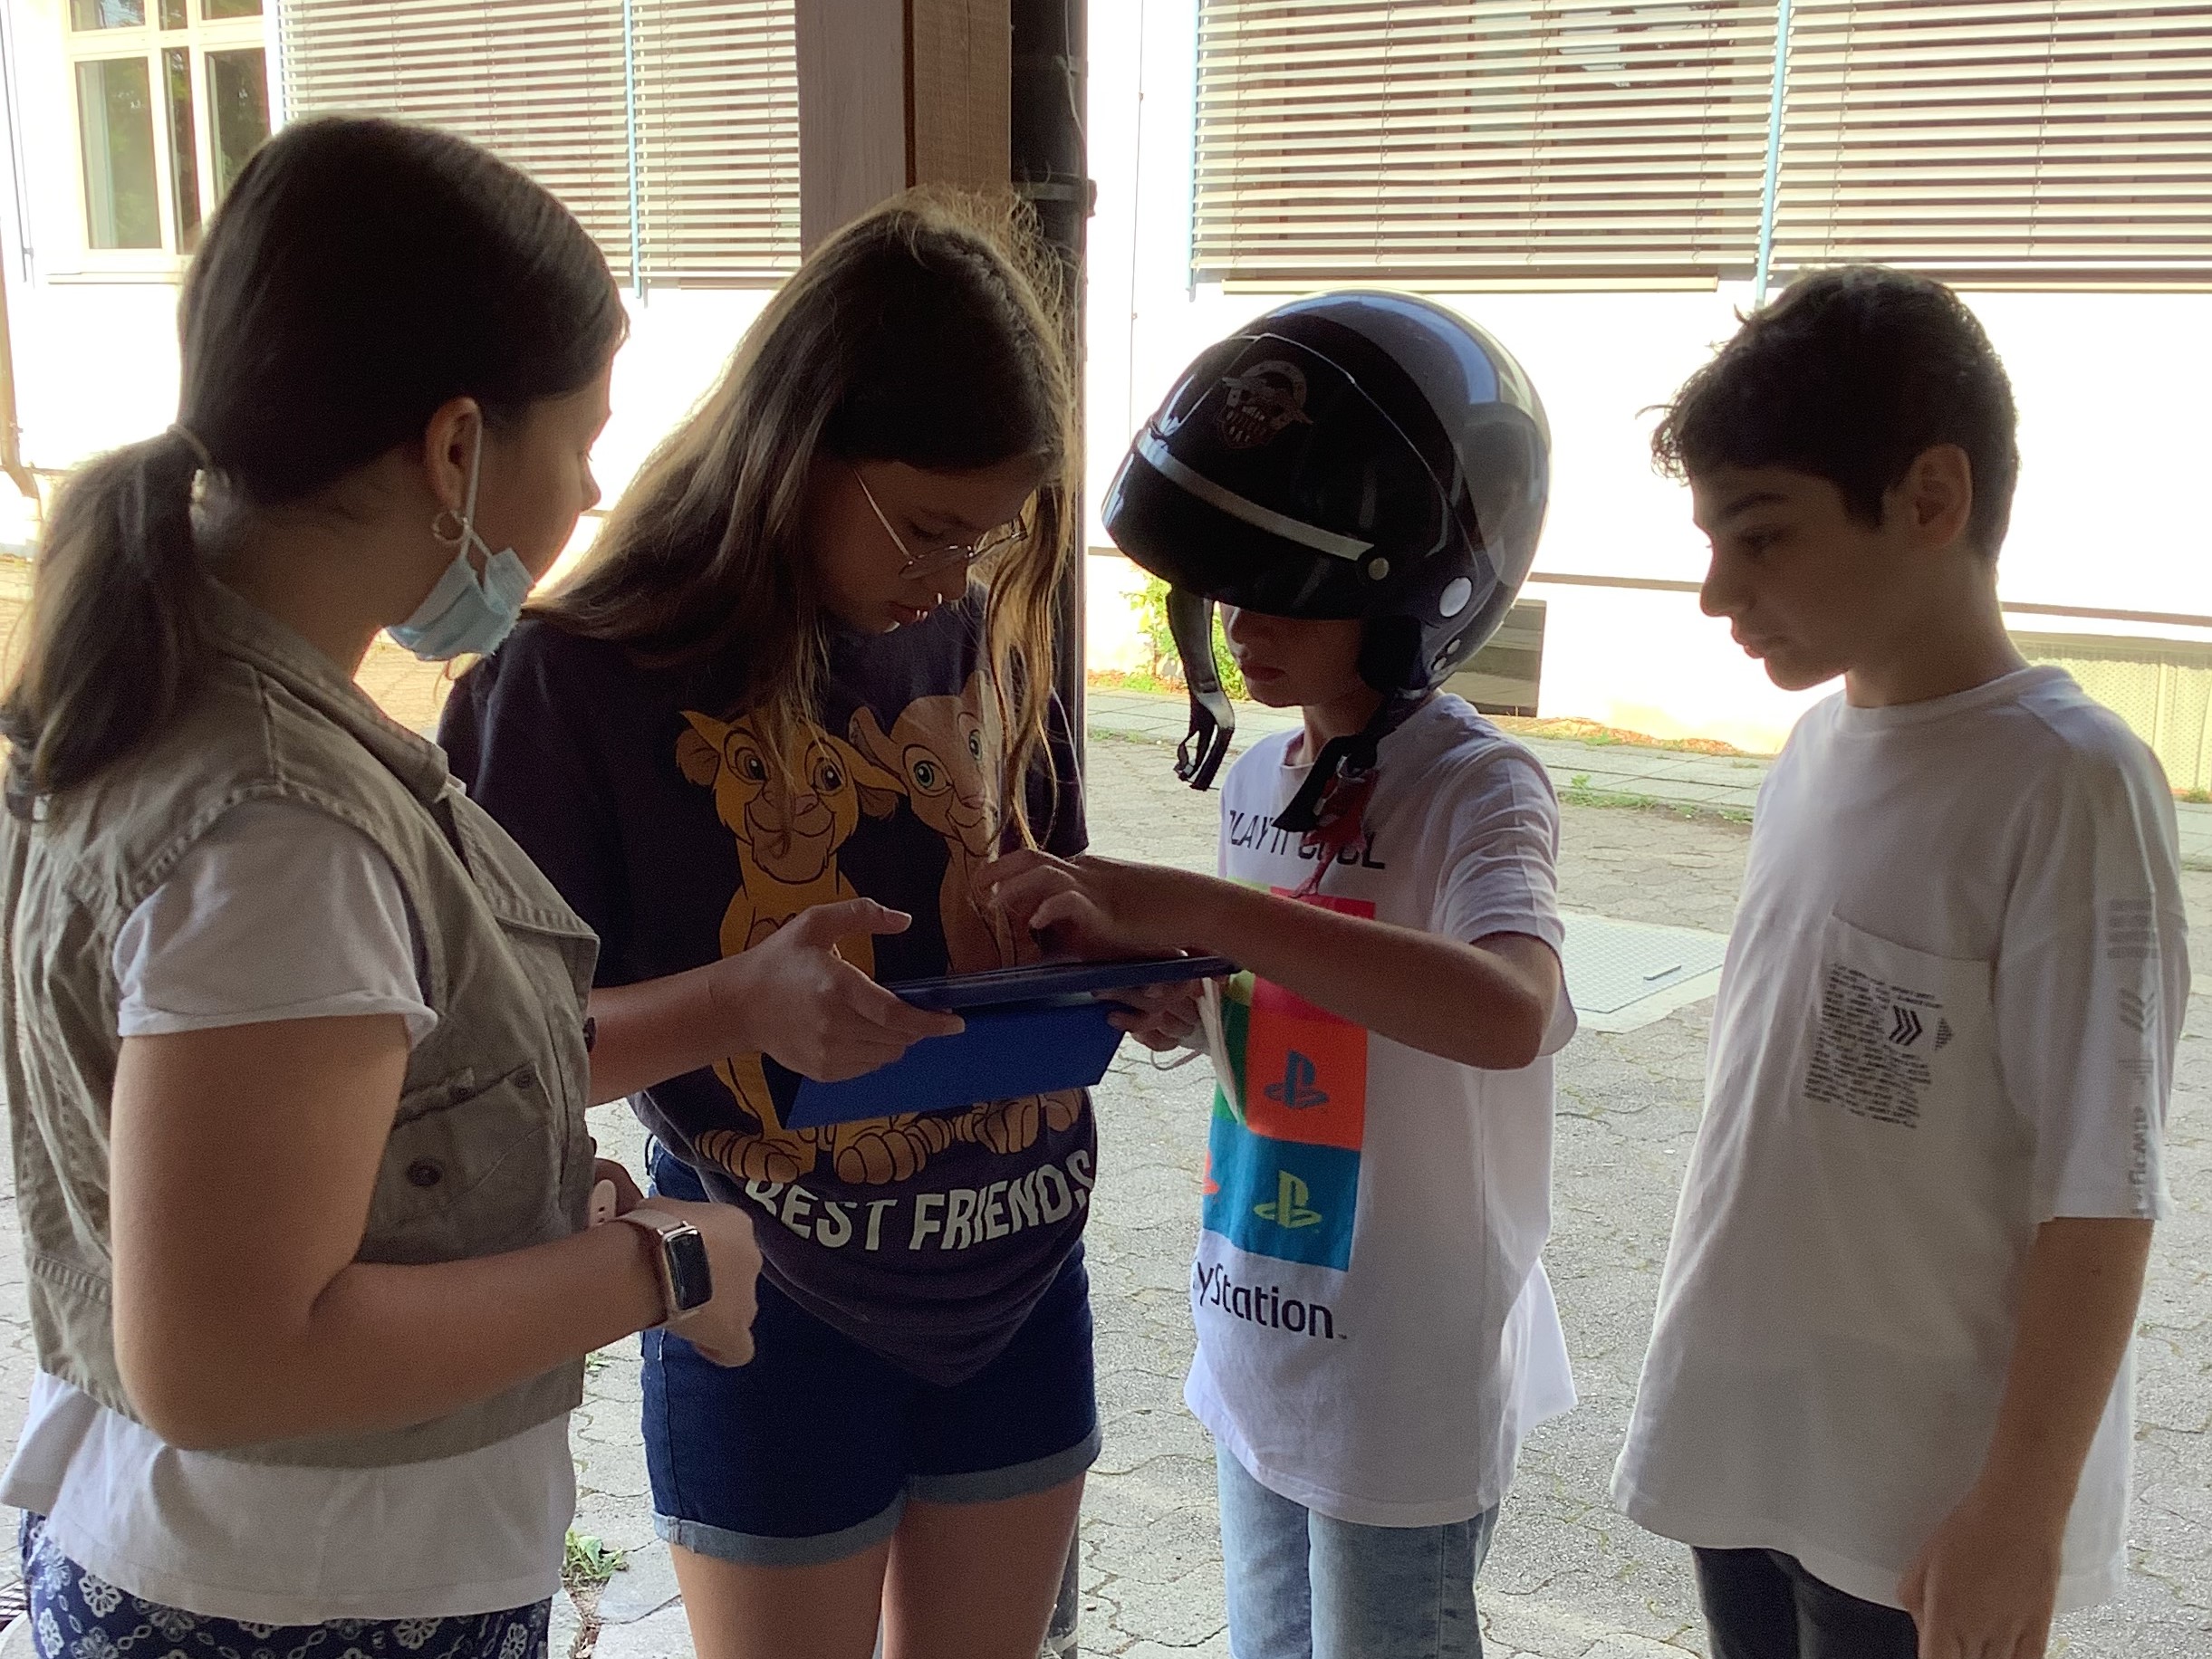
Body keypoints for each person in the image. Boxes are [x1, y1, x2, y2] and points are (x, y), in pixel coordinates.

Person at [0, 114, 846, 1658]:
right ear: (455, 449)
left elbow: (367, 1105)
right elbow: (231, 1360)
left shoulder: (208, 718)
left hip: (265, 1572)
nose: (592, 490)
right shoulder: (278, 828)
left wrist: (567, 1172)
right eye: (580, 440)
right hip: (297, 1606)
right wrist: (656, 1265)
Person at [438, 192, 1161, 1659]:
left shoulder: (974, 629)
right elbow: (485, 1072)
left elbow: (1038, 889)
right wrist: (731, 1006)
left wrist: (1099, 963)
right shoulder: (571, 682)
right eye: (931, 529)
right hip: (769, 1305)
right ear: (797, 450)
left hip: (1018, 1278)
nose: (954, 578)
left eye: (991, 537)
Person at [983, 293, 1578, 1659]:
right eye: (1225, 587)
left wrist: (1192, 907)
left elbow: (1510, 1013)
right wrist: (1191, 1007)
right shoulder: (1263, 780)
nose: (1243, 623)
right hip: (1263, 1319)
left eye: (1289, 590)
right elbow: (1300, 999)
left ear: (1409, 594)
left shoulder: (1479, 789)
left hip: (1403, 1367)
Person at [1611, 267, 2184, 1659]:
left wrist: (2019, 1513)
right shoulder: (1813, 752)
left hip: (1916, 1500)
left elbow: (2101, 1188)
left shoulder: (2067, 784)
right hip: (1747, 1434)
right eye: (1711, 541)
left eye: (1762, 535)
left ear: (1930, 498)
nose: (1714, 592)